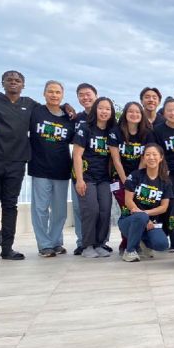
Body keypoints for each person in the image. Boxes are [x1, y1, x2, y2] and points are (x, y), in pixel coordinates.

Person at [0, 71, 45, 262]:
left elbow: (49, 111)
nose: (13, 83)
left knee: (10, 205)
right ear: (2, 82)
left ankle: (7, 248)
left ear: (23, 85)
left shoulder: (30, 104)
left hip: (16, 161)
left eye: (18, 81)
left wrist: (67, 106)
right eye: (10, 80)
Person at [28, 80, 75, 257]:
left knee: (60, 211)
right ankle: (44, 244)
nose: (54, 95)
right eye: (50, 92)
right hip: (39, 168)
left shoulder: (68, 118)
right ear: (44, 93)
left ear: (62, 95)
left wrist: (67, 107)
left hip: (62, 169)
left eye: (57, 92)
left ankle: (55, 242)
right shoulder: (36, 111)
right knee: (40, 209)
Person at [109, 102, 156, 253]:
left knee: (139, 208)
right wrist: (127, 182)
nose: (134, 114)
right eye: (131, 111)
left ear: (141, 115)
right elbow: (116, 159)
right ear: (125, 114)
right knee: (126, 209)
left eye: (137, 112)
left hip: (139, 176)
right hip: (120, 177)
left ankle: (140, 241)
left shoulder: (147, 133)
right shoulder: (115, 132)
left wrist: (137, 179)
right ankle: (126, 244)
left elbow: (145, 158)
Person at [73, 97, 116, 258]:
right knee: (91, 210)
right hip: (87, 177)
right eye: (101, 108)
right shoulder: (85, 128)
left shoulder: (112, 131)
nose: (104, 112)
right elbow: (77, 155)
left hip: (105, 178)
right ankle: (87, 245)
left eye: (108, 109)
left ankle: (100, 243)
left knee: (105, 210)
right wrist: (79, 179)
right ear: (95, 110)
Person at [118, 143, 173, 262]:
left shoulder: (165, 181)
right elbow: (128, 201)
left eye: (154, 154)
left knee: (162, 244)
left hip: (151, 223)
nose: (151, 157)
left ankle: (143, 243)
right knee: (140, 217)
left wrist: (145, 214)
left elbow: (164, 207)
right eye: (147, 154)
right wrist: (143, 216)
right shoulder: (135, 175)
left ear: (161, 157)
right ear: (143, 158)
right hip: (129, 219)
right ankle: (130, 250)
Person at [71, 83, 98, 255]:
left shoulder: (107, 119)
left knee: (102, 208)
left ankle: (100, 242)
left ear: (96, 95)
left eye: (88, 94)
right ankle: (82, 241)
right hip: (80, 172)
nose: (85, 98)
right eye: (81, 95)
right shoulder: (75, 119)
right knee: (81, 208)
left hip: (102, 173)